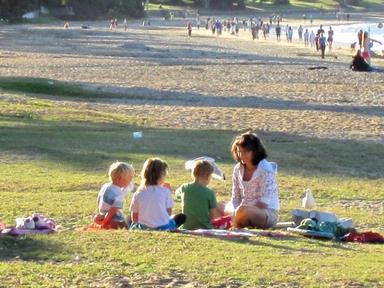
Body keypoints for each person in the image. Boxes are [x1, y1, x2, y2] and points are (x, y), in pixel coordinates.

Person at [226, 132, 279, 229]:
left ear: (255, 152)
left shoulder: (265, 170)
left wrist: (240, 211)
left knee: (242, 211)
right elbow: (235, 198)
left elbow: (263, 203)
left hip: (265, 212)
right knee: (220, 207)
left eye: (245, 152)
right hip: (242, 210)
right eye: (239, 151)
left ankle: (234, 227)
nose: (241, 155)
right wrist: (233, 211)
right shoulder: (238, 169)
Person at [129, 158, 186, 230]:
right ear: (162, 175)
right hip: (163, 226)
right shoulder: (165, 191)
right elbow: (168, 212)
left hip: (143, 227)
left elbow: (134, 217)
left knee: (129, 220)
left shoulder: (138, 193)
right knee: (180, 218)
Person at [176, 160, 224, 230]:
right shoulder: (210, 193)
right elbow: (214, 215)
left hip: (186, 226)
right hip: (204, 227)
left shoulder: (184, 187)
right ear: (208, 176)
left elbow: (177, 194)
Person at [94, 161, 135, 229]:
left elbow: (99, 199)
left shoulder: (105, 186)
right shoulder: (119, 194)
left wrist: (100, 213)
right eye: (129, 178)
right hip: (115, 220)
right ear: (120, 179)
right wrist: (105, 222)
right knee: (129, 222)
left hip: (103, 215)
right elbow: (113, 210)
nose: (130, 181)